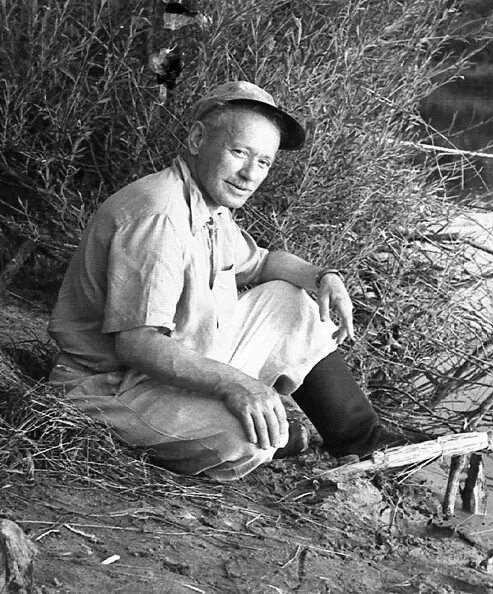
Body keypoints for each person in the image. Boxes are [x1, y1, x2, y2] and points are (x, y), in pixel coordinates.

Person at [47, 81, 403, 480]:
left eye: (264, 162)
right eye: (239, 152)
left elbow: (264, 263)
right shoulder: (159, 216)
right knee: (248, 441)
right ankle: (277, 434)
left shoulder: (207, 205)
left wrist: (324, 277)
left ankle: (358, 436)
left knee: (296, 300)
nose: (250, 174)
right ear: (198, 138)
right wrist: (238, 385)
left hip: (173, 362)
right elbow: (138, 344)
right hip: (110, 388)